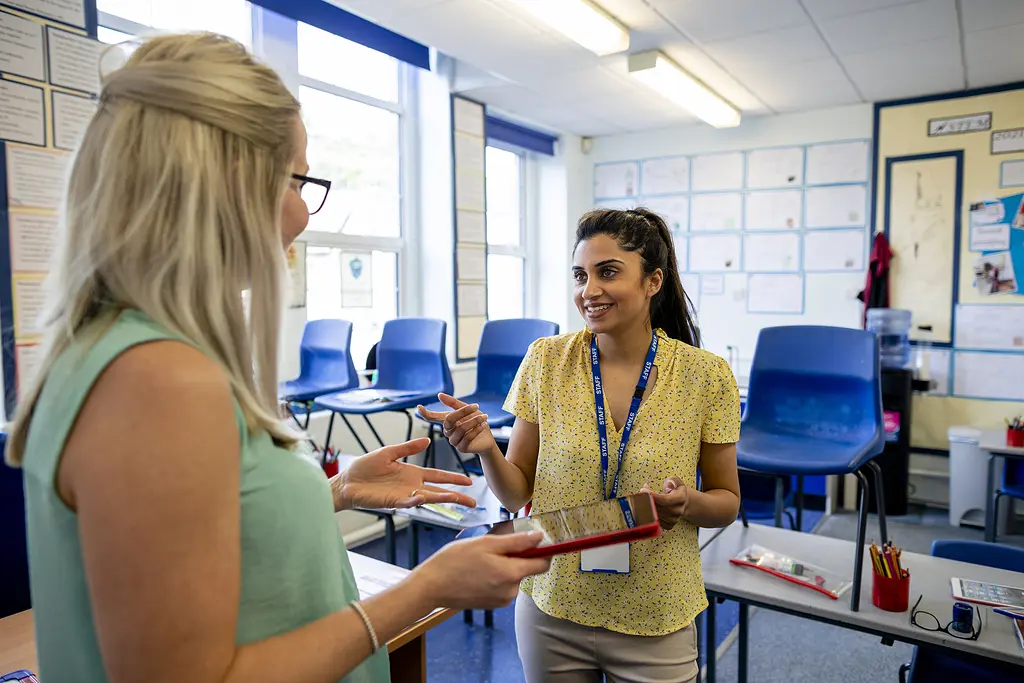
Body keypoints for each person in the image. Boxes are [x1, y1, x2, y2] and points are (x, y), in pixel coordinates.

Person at [6, 33, 549, 683]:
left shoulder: (117, 351)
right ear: (230, 179)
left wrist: (336, 490)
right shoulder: (156, 379)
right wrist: (426, 586)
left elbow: (197, 546)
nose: (302, 211)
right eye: (298, 178)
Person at [420, 208, 742, 683]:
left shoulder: (704, 374)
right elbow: (515, 495)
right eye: (580, 275)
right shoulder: (546, 360)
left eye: (607, 272)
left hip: (656, 612)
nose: (588, 291)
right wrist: (487, 448)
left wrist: (688, 501)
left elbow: (727, 502)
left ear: (653, 281)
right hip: (553, 604)